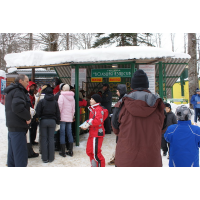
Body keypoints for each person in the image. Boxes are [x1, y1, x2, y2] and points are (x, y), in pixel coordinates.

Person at [112, 69, 166, 167]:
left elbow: (115, 128)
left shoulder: (121, 104)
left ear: (132, 86)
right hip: (151, 160)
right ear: (147, 85)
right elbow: (163, 128)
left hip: (126, 159)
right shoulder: (158, 105)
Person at [4, 74, 31, 167]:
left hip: (12, 126)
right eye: (26, 81)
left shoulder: (11, 91)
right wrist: (28, 117)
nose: (28, 84)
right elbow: (17, 107)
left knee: (12, 155)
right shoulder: (18, 91)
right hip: (18, 127)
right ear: (20, 81)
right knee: (20, 155)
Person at [81, 94, 107, 167]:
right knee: (90, 151)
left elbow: (98, 121)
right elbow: (93, 120)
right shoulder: (93, 109)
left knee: (96, 153)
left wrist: (88, 123)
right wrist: (87, 124)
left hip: (97, 134)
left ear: (96, 101)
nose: (90, 100)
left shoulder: (98, 109)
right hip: (93, 133)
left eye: (92, 99)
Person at [36, 87, 60, 163]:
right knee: (51, 139)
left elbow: (37, 112)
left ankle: (44, 158)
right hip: (52, 121)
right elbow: (58, 113)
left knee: (44, 139)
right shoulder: (55, 102)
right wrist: (58, 122)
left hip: (43, 121)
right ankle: (51, 158)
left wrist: (38, 118)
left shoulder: (42, 101)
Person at [109, 84, 127, 165]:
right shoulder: (129, 100)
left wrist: (116, 130)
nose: (116, 93)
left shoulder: (121, 101)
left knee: (121, 149)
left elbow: (115, 119)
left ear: (121, 91)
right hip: (129, 130)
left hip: (121, 130)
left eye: (117, 91)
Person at [58, 84, 75, 157]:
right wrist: (71, 116)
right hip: (69, 118)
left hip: (62, 118)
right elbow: (73, 109)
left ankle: (63, 151)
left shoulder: (61, 96)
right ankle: (70, 151)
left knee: (62, 133)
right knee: (69, 133)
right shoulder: (72, 97)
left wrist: (59, 116)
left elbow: (59, 107)